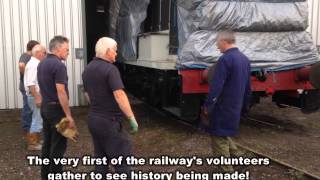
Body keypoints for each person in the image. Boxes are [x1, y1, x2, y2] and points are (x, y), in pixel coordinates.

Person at [82, 37, 138, 177]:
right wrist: (131, 118)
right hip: (109, 121)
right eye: (115, 50)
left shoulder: (87, 69)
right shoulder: (110, 69)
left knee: (101, 160)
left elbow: (87, 96)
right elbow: (119, 95)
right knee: (122, 161)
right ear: (107, 51)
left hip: (94, 120)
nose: (116, 53)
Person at [204, 31, 251, 173]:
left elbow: (216, 87)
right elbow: (248, 87)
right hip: (235, 105)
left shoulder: (225, 60)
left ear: (224, 41)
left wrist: (208, 106)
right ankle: (239, 158)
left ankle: (226, 171)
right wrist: (245, 106)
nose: (217, 46)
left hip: (222, 106)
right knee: (223, 133)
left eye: (218, 43)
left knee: (218, 136)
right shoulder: (244, 59)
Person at [37, 36, 75, 180]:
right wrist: (68, 115)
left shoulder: (42, 63)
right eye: (66, 49)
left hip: (45, 108)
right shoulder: (59, 66)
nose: (68, 53)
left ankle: (45, 176)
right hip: (57, 110)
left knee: (47, 144)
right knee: (58, 146)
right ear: (58, 49)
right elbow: (61, 91)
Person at [24, 44, 47, 151]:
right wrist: (37, 97)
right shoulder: (34, 65)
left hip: (35, 95)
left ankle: (36, 139)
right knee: (37, 118)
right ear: (38, 53)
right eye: (44, 52)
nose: (45, 55)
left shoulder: (35, 63)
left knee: (38, 118)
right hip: (34, 96)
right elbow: (31, 83)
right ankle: (33, 143)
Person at [18, 40, 39, 134]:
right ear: (33, 48)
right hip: (27, 86)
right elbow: (21, 65)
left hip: (27, 86)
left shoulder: (27, 56)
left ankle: (30, 126)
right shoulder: (26, 56)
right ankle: (27, 127)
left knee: (29, 106)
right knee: (27, 107)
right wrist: (25, 74)